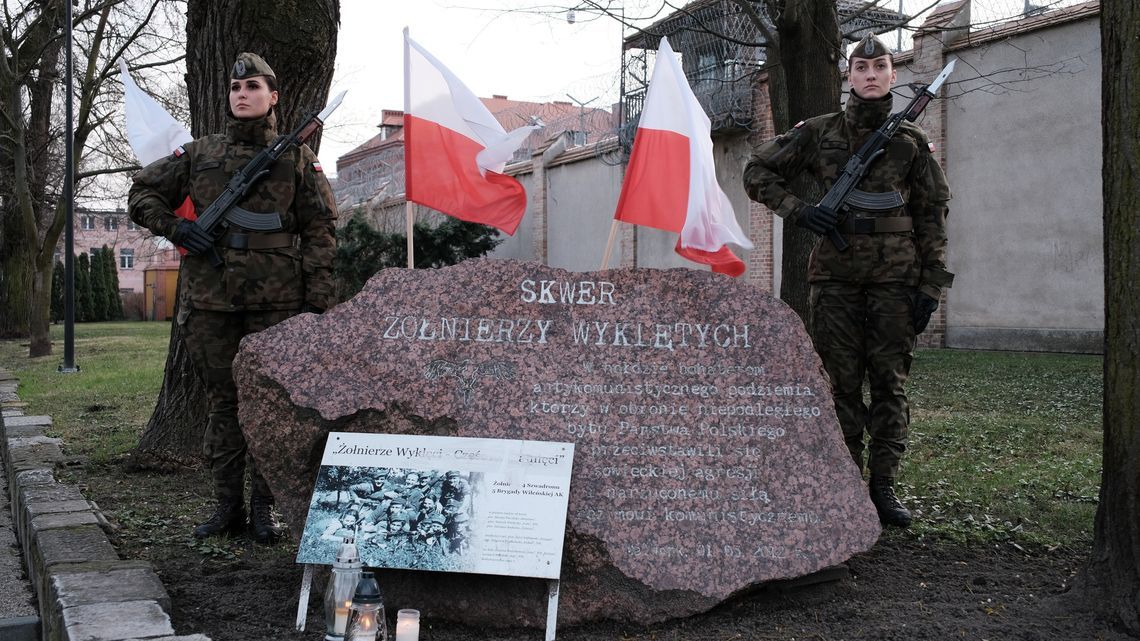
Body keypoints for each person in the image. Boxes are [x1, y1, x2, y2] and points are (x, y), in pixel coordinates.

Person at [742, 33, 953, 528]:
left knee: (889, 385)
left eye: (880, 66)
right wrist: (800, 210)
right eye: (862, 67)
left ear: (893, 74)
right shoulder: (818, 132)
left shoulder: (912, 142)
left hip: (897, 282)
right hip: (835, 279)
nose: (872, 75)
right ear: (849, 76)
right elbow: (758, 171)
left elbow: (932, 216)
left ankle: (882, 488)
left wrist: (931, 284)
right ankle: (842, 483)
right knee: (839, 384)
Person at [128, 53, 337, 544]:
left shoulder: (297, 159)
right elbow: (142, 194)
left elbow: (321, 232)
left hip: (278, 304)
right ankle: (227, 506)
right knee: (224, 404)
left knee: (270, 405)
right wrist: (176, 226)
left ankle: (265, 508)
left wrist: (316, 306)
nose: (242, 94)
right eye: (236, 86)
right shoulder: (200, 154)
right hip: (211, 302)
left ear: (273, 97)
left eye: (253, 86)